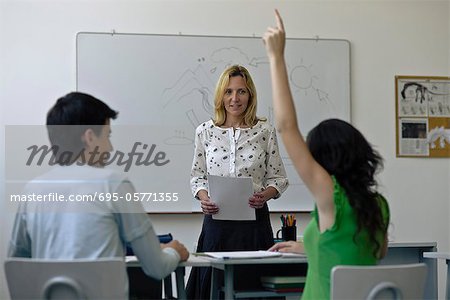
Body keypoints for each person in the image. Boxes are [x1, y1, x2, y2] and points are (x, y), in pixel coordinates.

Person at [8, 92, 189, 298]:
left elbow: (17, 265)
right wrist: (173, 250)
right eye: (107, 136)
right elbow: (156, 267)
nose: (110, 147)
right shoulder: (114, 185)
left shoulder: (32, 191)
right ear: (89, 137)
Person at [264, 10, 390, 299]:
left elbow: (286, 126)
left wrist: (276, 57)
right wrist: (311, 247)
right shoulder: (378, 205)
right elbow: (370, 253)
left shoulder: (330, 195)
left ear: (323, 160)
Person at [187, 65, 289, 298]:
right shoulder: (204, 131)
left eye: (241, 91)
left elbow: (279, 178)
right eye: (229, 91)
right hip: (217, 223)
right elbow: (197, 176)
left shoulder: (265, 130)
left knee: (252, 290)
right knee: (213, 288)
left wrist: (265, 194)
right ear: (220, 95)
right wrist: (204, 198)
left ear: (250, 95)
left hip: (254, 223)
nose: (235, 98)